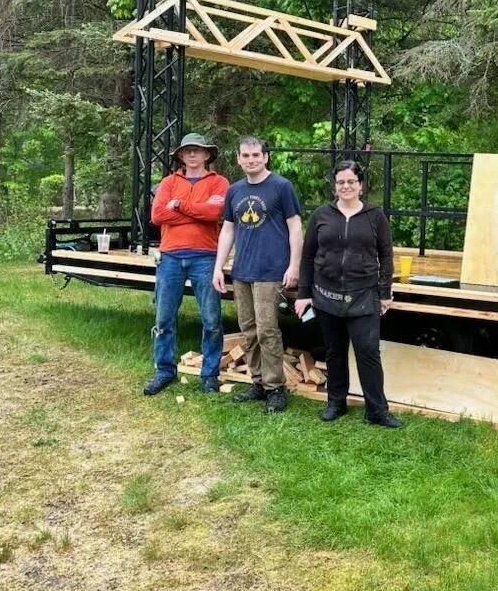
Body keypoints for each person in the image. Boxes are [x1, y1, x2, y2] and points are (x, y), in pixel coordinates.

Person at [294, 160, 401, 428]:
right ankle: (336, 403)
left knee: (368, 352)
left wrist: (385, 293)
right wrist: (304, 294)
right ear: (335, 185)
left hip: (364, 295)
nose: (346, 186)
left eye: (351, 182)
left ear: (361, 186)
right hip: (326, 295)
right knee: (335, 351)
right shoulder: (321, 215)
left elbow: (386, 255)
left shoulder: (375, 216)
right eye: (341, 182)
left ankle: (377, 410)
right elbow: (307, 256)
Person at [212, 136, 303, 414]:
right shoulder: (235, 191)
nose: (251, 160)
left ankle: (276, 388)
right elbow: (227, 230)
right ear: (239, 159)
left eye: (256, 155)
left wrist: (294, 266)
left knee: (267, 330)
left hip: (271, 270)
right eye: (245, 156)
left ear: (265, 157)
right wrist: (219, 266)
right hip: (242, 271)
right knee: (249, 330)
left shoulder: (281, 187)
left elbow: (296, 227)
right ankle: (258, 382)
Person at [143, 132, 229, 396]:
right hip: (170, 256)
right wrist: (195, 211)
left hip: (205, 256)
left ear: (207, 155)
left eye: (197, 150)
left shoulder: (219, 182)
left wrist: (179, 206)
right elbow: (157, 215)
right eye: (187, 151)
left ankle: (210, 375)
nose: (192, 154)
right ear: (180, 156)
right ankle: (164, 371)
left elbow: (215, 213)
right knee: (164, 318)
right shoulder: (168, 182)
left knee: (212, 319)